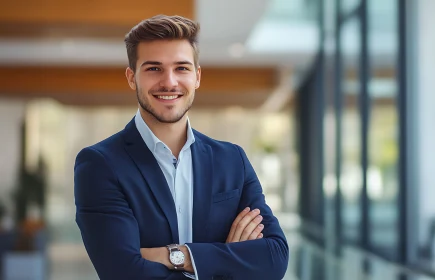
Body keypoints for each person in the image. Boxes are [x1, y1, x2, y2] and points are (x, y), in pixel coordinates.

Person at [74, 14, 288, 280]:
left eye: (182, 68)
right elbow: (124, 272)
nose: (170, 82)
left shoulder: (232, 159)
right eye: (154, 68)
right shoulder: (100, 164)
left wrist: (180, 256)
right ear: (132, 78)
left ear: (197, 77)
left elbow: (274, 258)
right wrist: (227, 259)